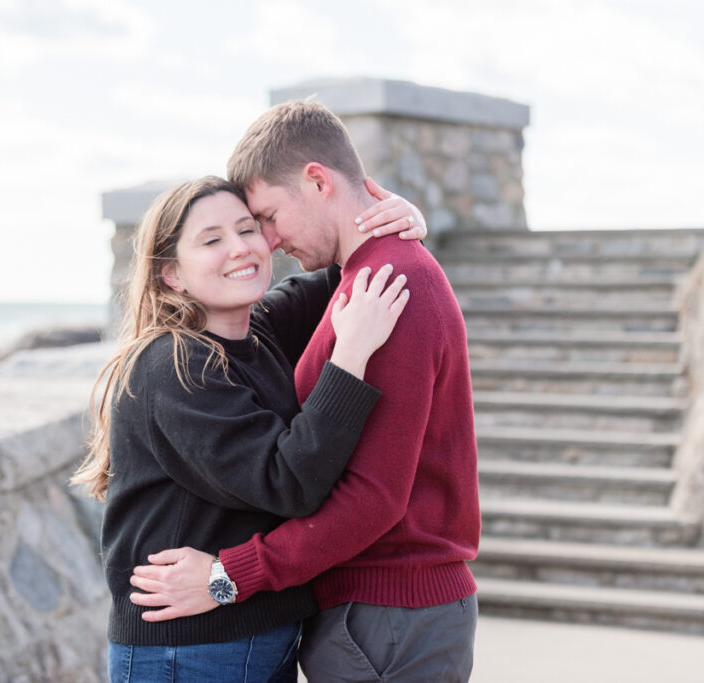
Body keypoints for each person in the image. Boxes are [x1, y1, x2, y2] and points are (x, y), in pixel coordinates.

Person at [129, 101, 481, 682]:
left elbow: (372, 498)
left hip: (390, 615)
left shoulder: (388, 287)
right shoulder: (361, 281)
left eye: (263, 218)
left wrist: (228, 575)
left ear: (317, 180)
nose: (264, 243)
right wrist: (381, 209)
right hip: (374, 615)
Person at [72, 174, 424, 682]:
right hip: (188, 650)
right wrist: (350, 356)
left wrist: (397, 220)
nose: (240, 249)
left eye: (248, 228)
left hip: (252, 638)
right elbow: (288, 481)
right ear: (172, 273)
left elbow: (349, 264)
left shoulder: (257, 331)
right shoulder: (174, 364)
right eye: (212, 240)